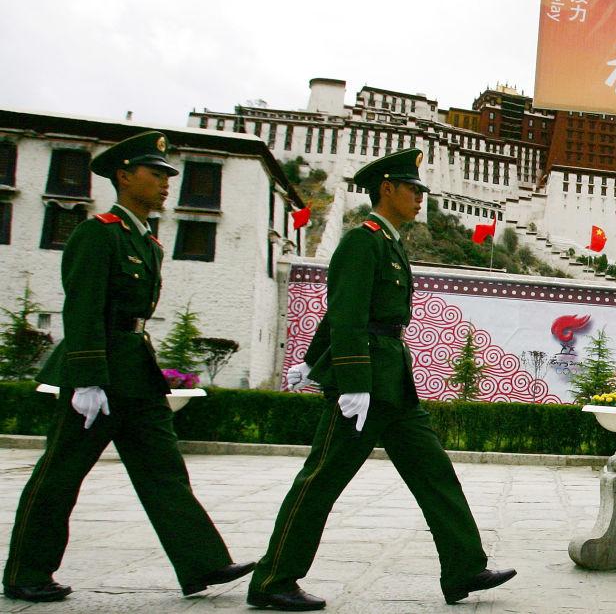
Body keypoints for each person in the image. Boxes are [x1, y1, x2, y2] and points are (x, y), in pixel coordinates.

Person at [246, 148, 515, 611]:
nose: (418, 197)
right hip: (366, 384)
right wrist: (348, 380)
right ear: (386, 189)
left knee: (434, 472)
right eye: (412, 189)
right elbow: (346, 314)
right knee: (321, 480)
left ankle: (463, 567)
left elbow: (344, 315)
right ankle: (273, 579)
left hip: (394, 382)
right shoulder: (361, 241)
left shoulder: (389, 243)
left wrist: (311, 362)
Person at [2, 131, 254, 603]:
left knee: (164, 470)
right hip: (98, 372)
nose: (164, 183)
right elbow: (82, 308)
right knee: (60, 475)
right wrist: (87, 377)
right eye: (154, 173)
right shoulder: (97, 233)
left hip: (136, 370)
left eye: (166, 175)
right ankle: (26, 572)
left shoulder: (146, 242)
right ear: (123, 175)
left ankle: (203, 562)